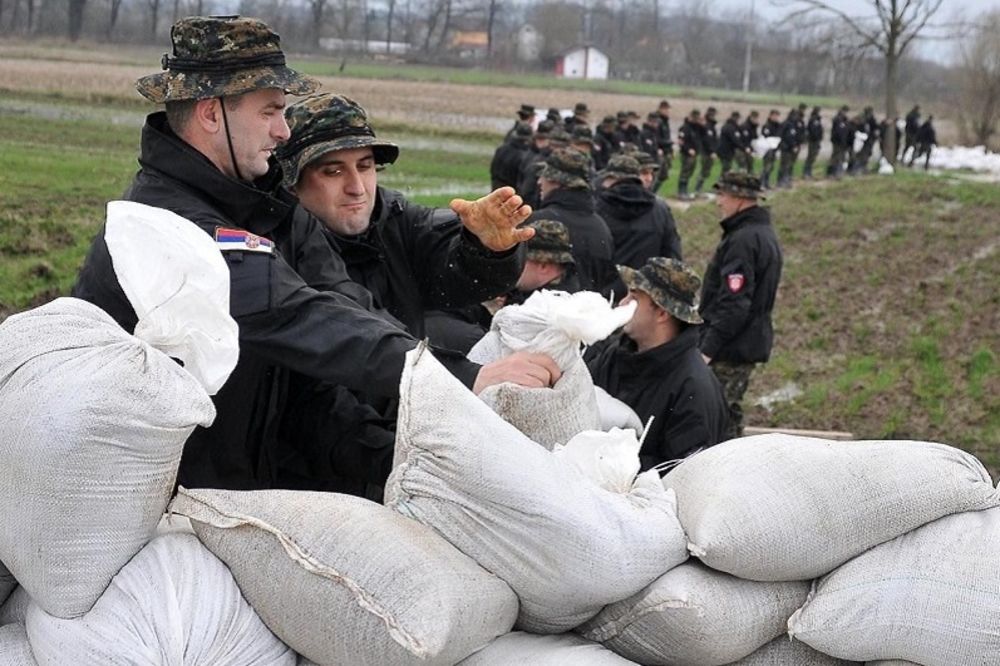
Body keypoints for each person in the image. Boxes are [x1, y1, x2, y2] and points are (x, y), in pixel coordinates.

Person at [71, 16, 560, 494]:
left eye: (366, 167)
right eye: (269, 111)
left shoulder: (270, 210)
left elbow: (342, 315)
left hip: (243, 485)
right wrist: (463, 378)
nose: (283, 131)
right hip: (162, 498)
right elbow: (301, 317)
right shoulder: (170, 226)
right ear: (209, 112)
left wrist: (405, 459)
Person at [278, 92, 528, 341]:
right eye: (333, 171)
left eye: (365, 167)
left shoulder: (400, 225)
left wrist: (486, 249)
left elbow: (461, 281)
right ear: (291, 183)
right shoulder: (274, 248)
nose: (357, 187)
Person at [586, 257, 731, 469]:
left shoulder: (694, 389)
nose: (622, 303)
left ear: (662, 312)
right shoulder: (614, 356)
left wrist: (614, 464)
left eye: (634, 297)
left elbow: (683, 471)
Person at [699, 172, 783, 439]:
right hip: (741, 342)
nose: (718, 202)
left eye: (722, 195)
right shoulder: (759, 234)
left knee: (716, 418)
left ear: (740, 199)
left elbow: (734, 303)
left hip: (731, 347)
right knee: (727, 413)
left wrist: (707, 349)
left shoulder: (743, 240)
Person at [528, 148, 615, 294]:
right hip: (590, 313)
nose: (539, 181)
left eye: (544, 176)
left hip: (539, 313)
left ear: (558, 182)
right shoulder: (602, 229)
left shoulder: (536, 223)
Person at [595, 154, 682, 299]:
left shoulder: (597, 208)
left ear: (611, 179)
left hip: (605, 299)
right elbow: (672, 256)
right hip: (647, 297)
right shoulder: (660, 209)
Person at [491, 121, 532, 189]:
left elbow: (493, 169)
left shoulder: (501, 149)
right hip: (512, 190)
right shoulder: (524, 156)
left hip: (497, 185)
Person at [676, 109, 703, 200]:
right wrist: (688, 150)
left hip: (695, 153)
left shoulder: (697, 128)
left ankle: (685, 190)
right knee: (685, 171)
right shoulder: (685, 127)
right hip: (687, 154)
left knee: (690, 171)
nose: (696, 120)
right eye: (694, 118)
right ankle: (681, 191)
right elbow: (681, 141)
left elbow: (705, 133)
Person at [695, 106, 719, 195]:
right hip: (706, 152)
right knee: (704, 170)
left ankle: (699, 188)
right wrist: (711, 151)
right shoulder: (707, 126)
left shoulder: (712, 126)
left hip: (710, 152)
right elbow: (707, 140)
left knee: (707, 171)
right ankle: (697, 188)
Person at [653, 99, 674, 189]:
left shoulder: (665, 121)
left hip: (666, 150)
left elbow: (667, 136)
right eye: (666, 109)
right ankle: (652, 193)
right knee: (657, 175)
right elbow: (656, 138)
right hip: (659, 151)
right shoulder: (658, 121)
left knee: (663, 175)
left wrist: (671, 150)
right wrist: (670, 142)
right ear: (661, 109)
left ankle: (654, 193)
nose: (668, 111)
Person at [759, 109, 781, 189]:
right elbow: (765, 137)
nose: (776, 118)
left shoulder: (778, 126)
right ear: (770, 116)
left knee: (771, 167)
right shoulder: (767, 126)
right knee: (766, 166)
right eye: (774, 116)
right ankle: (761, 182)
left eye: (777, 116)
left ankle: (767, 182)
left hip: (774, 149)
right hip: (767, 149)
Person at [827, 105, 850, 178]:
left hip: (842, 141)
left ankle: (837, 172)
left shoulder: (844, 119)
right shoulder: (837, 119)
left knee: (840, 157)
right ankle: (831, 172)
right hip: (837, 141)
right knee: (835, 156)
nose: (845, 113)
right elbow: (838, 131)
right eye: (844, 111)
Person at [718, 110, 742, 175]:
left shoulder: (730, 126)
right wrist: (743, 148)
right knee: (726, 169)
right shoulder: (730, 128)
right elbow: (734, 140)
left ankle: (722, 182)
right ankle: (720, 182)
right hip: (725, 152)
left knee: (726, 169)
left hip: (727, 151)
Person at [803, 106, 823, 179]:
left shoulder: (817, 120)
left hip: (816, 141)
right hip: (813, 141)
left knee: (813, 156)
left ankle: (809, 171)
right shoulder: (813, 120)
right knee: (810, 156)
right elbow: (812, 131)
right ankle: (806, 172)